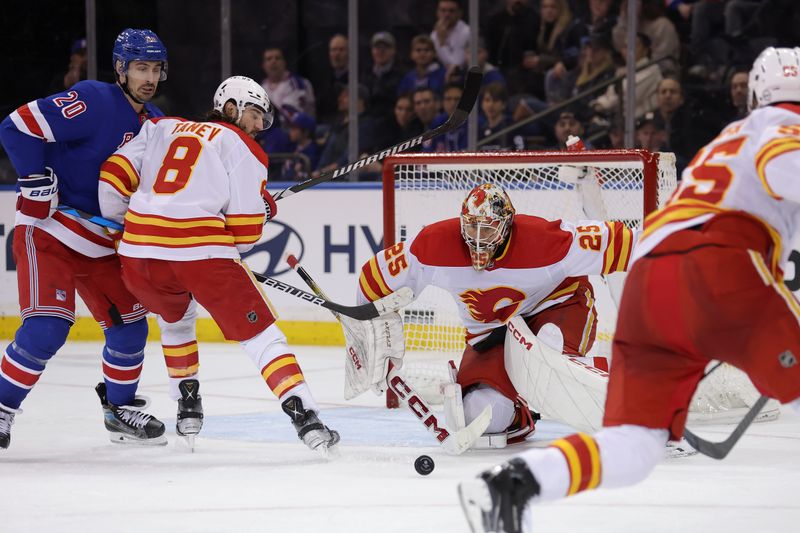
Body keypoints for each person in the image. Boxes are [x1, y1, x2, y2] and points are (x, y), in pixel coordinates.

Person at [458, 46, 800, 533]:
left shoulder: (727, 139)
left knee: (634, 446)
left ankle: (511, 484)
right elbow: (782, 166)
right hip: (722, 267)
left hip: (650, 281)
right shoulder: (784, 124)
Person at [97, 76, 340, 453]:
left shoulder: (160, 127)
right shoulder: (243, 147)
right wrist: (260, 211)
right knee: (262, 337)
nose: (260, 126)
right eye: (256, 114)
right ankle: (305, 417)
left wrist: (128, 234)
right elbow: (244, 235)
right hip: (201, 252)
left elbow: (113, 177)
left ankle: (187, 405)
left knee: (175, 319)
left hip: (139, 256)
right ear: (230, 108)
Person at [357, 183, 636, 445]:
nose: (478, 241)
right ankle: (518, 415)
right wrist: (367, 340)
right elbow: (372, 277)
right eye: (471, 228)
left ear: (506, 226)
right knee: (479, 417)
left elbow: (627, 242)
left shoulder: (545, 240)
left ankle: (638, 389)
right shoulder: (433, 244)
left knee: (549, 347)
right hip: (490, 335)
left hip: (557, 308)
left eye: (487, 230)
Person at [0, 28, 169, 449]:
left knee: (131, 329)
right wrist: (35, 179)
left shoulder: (159, 125)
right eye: (140, 68)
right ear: (120, 69)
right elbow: (16, 126)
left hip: (101, 245)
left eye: (155, 69)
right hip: (51, 232)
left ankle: (119, 410)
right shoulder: (94, 99)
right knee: (46, 329)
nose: (148, 77)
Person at [260, 47, 316, 118]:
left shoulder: (298, 84)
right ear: (263, 66)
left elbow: (292, 116)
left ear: (284, 62)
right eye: (269, 59)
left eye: (277, 58)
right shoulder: (261, 88)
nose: (273, 61)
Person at [430, 0, 471, 73]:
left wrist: (442, 42)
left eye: (451, 11)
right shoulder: (434, 34)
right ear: (437, 13)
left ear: (459, 13)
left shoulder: (466, 32)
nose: (446, 14)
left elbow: (456, 64)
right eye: (443, 10)